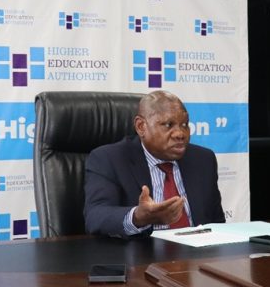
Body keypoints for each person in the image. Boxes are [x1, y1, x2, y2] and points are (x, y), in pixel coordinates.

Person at [84, 90, 225, 237]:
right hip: (143, 250)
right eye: (168, 125)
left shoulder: (203, 159)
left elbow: (216, 223)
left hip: (198, 249)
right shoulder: (109, 159)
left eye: (184, 124)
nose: (180, 134)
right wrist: (138, 217)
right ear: (141, 126)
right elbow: (95, 216)